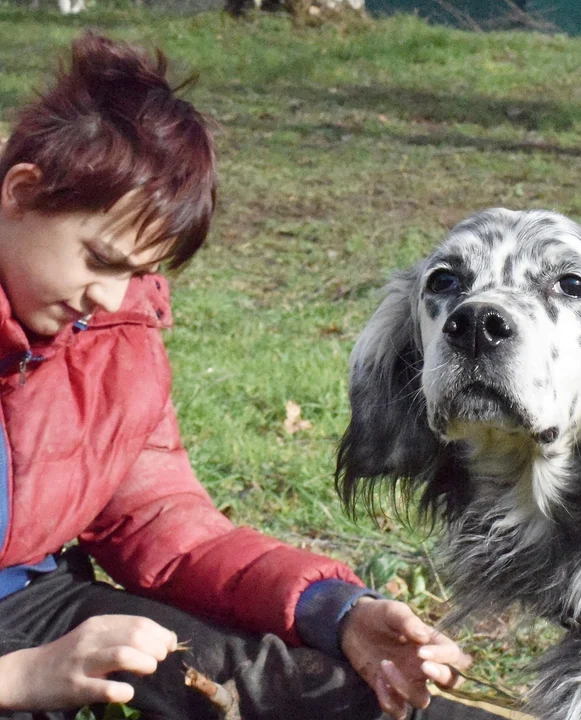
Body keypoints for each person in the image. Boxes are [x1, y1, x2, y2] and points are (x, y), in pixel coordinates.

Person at [0, 31, 500, 720]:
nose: (111, 300)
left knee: (309, 684)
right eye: (99, 259)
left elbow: (164, 523)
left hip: (39, 600)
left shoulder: (111, 334)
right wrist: (24, 678)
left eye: (138, 272)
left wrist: (337, 613)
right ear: (21, 193)